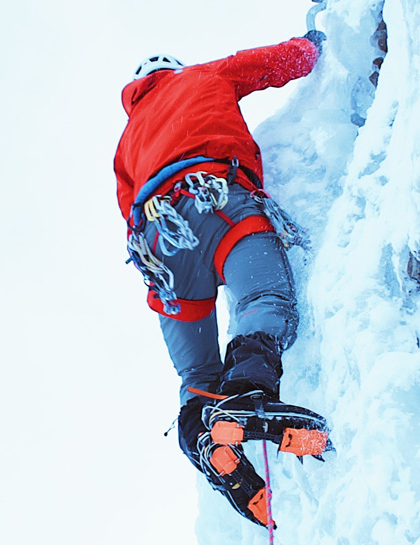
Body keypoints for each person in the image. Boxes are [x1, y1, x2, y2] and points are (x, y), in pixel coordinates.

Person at [113, 31, 330, 527]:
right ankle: (247, 397)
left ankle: (208, 443)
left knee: (196, 377)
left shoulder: (126, 142)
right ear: (172, 69)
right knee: (263, 299)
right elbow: (269, 63)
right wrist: (315, 45)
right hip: (216, 201)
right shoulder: (202, 76)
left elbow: (127, 208)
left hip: (160, 244)